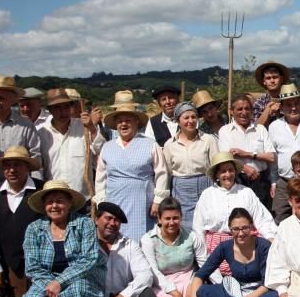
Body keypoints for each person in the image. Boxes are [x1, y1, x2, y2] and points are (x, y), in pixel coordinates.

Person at [18, 180, 107, 297]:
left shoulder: (84, 224)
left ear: (69, 203)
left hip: (82, 275)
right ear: (44, 206)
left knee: (73, 292)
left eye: (59, 201)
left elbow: (89, 259)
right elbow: (32, 267)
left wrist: (61, 282)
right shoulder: (34, 229)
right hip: (48, 279)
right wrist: (52, 284)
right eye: (50, 202)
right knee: (32, 296)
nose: (54, 206)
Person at [176, 208, 278, 297]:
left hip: (258, 293)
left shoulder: (264, 246)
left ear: (251, 227)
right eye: (236, 229)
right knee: (205, 291)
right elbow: (200, 275)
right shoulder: (225, 247)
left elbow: (267, 283)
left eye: (245, 228)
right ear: (230, 230)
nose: (241, 233)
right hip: (234, 291)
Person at [96, 201, 182, 297]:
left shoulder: (129, 245)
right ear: (97, 219)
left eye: (116, 220)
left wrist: (125, 295)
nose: (112, 223)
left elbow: (145, 275)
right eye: (108, 218)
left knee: (145, 291)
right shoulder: (86, 243)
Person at [94, 91, 170, 242]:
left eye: (128, 120)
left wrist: (157, 201)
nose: (124, 124)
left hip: (142, 202)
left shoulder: (149, 144)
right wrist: (102, 202)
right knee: (115, 239)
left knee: (141, 241)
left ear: (136, 122)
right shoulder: (107, 147)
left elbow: (162, 173)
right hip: (114, 200)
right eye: (120, 121)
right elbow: (100, 177)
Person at [0, 146, 43, 297]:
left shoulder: (42, 191)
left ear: (27, 167)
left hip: (42, 263)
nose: (12, 170)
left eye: (17, 165)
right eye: (7, 166)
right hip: (13, 262)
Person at [192, 151, 278, 252]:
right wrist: (203, 257)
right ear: (216, 175)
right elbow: (198, 228)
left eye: (230, 170)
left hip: (245, 247)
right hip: (215, 250)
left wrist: (270, 238)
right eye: (223, 171)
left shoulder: (246, 192)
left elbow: (262, 219)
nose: (228, 174)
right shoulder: (207, 195)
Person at [140, 198, 210, 297]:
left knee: (196, 295)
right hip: (161, 281)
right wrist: (174, 293)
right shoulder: (148, 240)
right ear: (159, 218)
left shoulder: (191, 236)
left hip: (187, 278)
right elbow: (153, 271)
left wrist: (220, 285)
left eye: (175, 218)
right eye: (167, 218)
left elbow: (205, 264)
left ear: (181, 217)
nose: (171, 223)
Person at [0, 74, 41, 186]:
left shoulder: (26, 125)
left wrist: (36, 187)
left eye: (1, 98)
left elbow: (35, 158)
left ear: (13, 100)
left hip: (21, 190)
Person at [38, 88, 103, 203]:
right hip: (54, 200)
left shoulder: (84, 127)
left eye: (66, 107)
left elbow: (101, 151)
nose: (63, 112)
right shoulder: (41, 134)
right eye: (58, 108)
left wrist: (92, 129)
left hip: (83, 198)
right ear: (50, 110)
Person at [163, 101, 219, 232]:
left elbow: (215, 166)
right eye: (186, 118)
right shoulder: (170, 145)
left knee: (207, 223)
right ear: (178, 120)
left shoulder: (208, 140)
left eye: (193, 117)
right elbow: (168, 172)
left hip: (205, 184)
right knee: (185, 226)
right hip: (181, 189)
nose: (191, 121)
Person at [267, 83, 300, 222]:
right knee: (280, 217)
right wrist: (273, 182)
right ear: (282, 107)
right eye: (288, 104)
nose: (293, 107)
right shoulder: (274, 127)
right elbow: (273, 156)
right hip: (284, 182)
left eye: (297, 103)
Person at [218, 94, 275, 210]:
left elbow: (271, 157)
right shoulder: (225, 131)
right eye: (239, 109)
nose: (244, 112)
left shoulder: (260, 129)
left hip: (261, 180)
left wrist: (248, 154)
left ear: (252, 111)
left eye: (247, 108)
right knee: (240, 214)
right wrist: (245, 168)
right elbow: (226, 158)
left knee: (261, 213)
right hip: (238, 179)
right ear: (231, 112)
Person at [253, 61, 289, 127]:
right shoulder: (259, 103)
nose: (272, 81)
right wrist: (268, 111)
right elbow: (255, 128)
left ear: (281, 79)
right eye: (268, 78)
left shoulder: (290, 100)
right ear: (264, 82)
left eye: (275, 77)